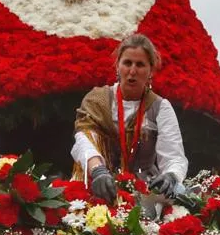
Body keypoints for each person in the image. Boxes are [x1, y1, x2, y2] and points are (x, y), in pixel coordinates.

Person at [72, 33, 187, 203]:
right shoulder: (96, 99)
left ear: (151, 70)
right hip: (98, 186)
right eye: (127, 63)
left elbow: (174, 156)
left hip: (144, 194)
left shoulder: (161, 107)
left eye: (140, 65)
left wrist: (171, 175)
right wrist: (98, 170)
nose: (132, 71)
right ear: (117, 66)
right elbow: (84, 138)